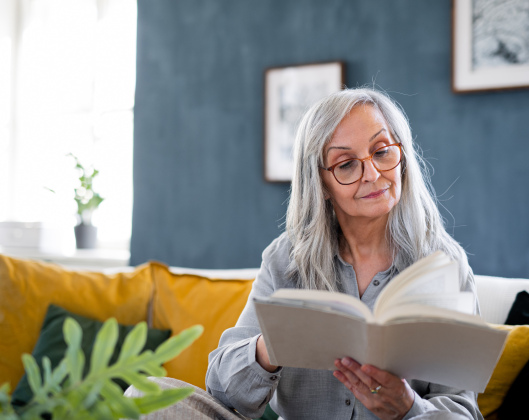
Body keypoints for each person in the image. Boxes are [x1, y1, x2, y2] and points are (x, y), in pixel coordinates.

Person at [127, 87, 482, 420]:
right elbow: (222, 391)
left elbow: (464, 410)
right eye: (346, 164)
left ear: (401, 156)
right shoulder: (287, 258)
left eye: (382, 151)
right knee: (145, 396)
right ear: (321, 183)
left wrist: (408, 408)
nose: (372, 173)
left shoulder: (445, 266)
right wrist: (272, 346)